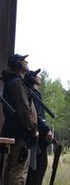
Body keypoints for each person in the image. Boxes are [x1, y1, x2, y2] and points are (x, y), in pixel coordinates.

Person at [1, 54, 38, 185]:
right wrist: (32, 129)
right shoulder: (17, 84)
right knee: (18, 172)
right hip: (20, 133)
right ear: (18, 65)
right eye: (24, 61)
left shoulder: (13, 82)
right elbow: (24, 110)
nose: (27, 62)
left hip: (15, 131)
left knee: (12, 169)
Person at [24, 69, 53, 185]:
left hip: (37, 132)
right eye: (37, 75)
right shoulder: (33, 94)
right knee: (39, 167)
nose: (39, 76)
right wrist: (47, 130)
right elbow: (36, 116)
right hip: (38, 134)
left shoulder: (34, 93)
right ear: (33, 79)